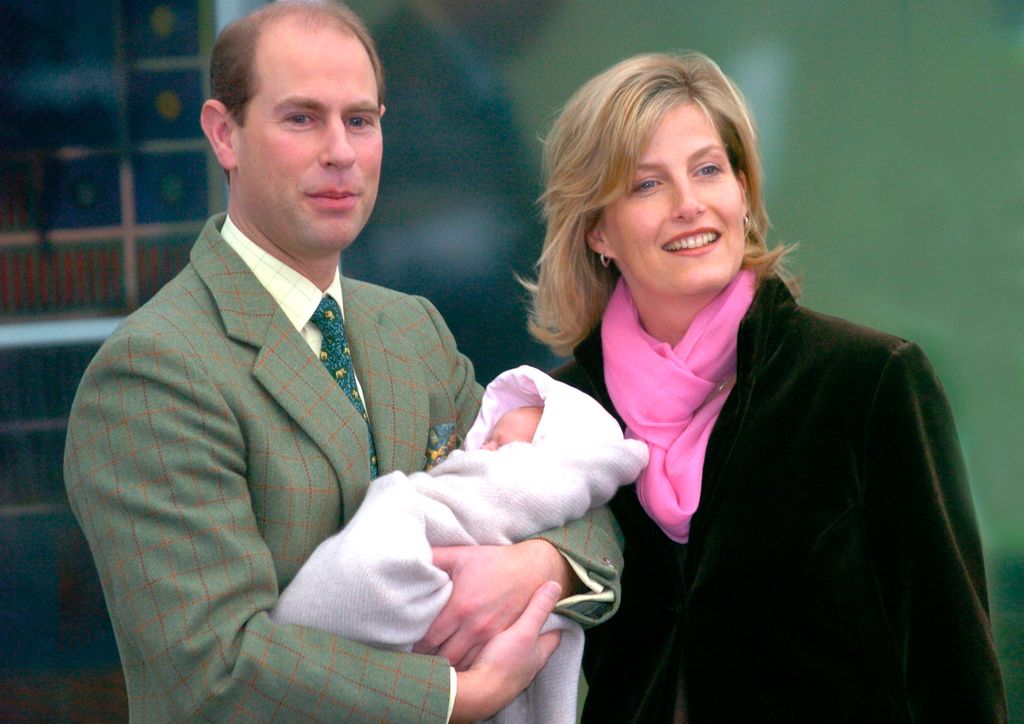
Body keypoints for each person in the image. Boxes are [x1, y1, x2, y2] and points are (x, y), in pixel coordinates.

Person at [62, 3, 623, 721]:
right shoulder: (151, 373)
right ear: (223, 133)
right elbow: (213, 668)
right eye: (302, 118)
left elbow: (574, 495)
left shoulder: (411, 329)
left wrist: (538, 566)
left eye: (361, 120)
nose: (341, 151)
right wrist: (461, 695)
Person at [527, 51, 1008, 721]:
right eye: (646, 184)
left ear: (744, 193)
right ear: (597, 230)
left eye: (708, 170)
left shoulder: (865, 382)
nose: (688, 204)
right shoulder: (565, 414)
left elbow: (951, 664)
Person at [270, 365, 648, 723]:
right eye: (488, 438)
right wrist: (470, 692)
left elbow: (595, 515)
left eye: (502, 446)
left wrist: (545, 564)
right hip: (307, 674)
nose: (482, 452)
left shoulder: (421, 329)